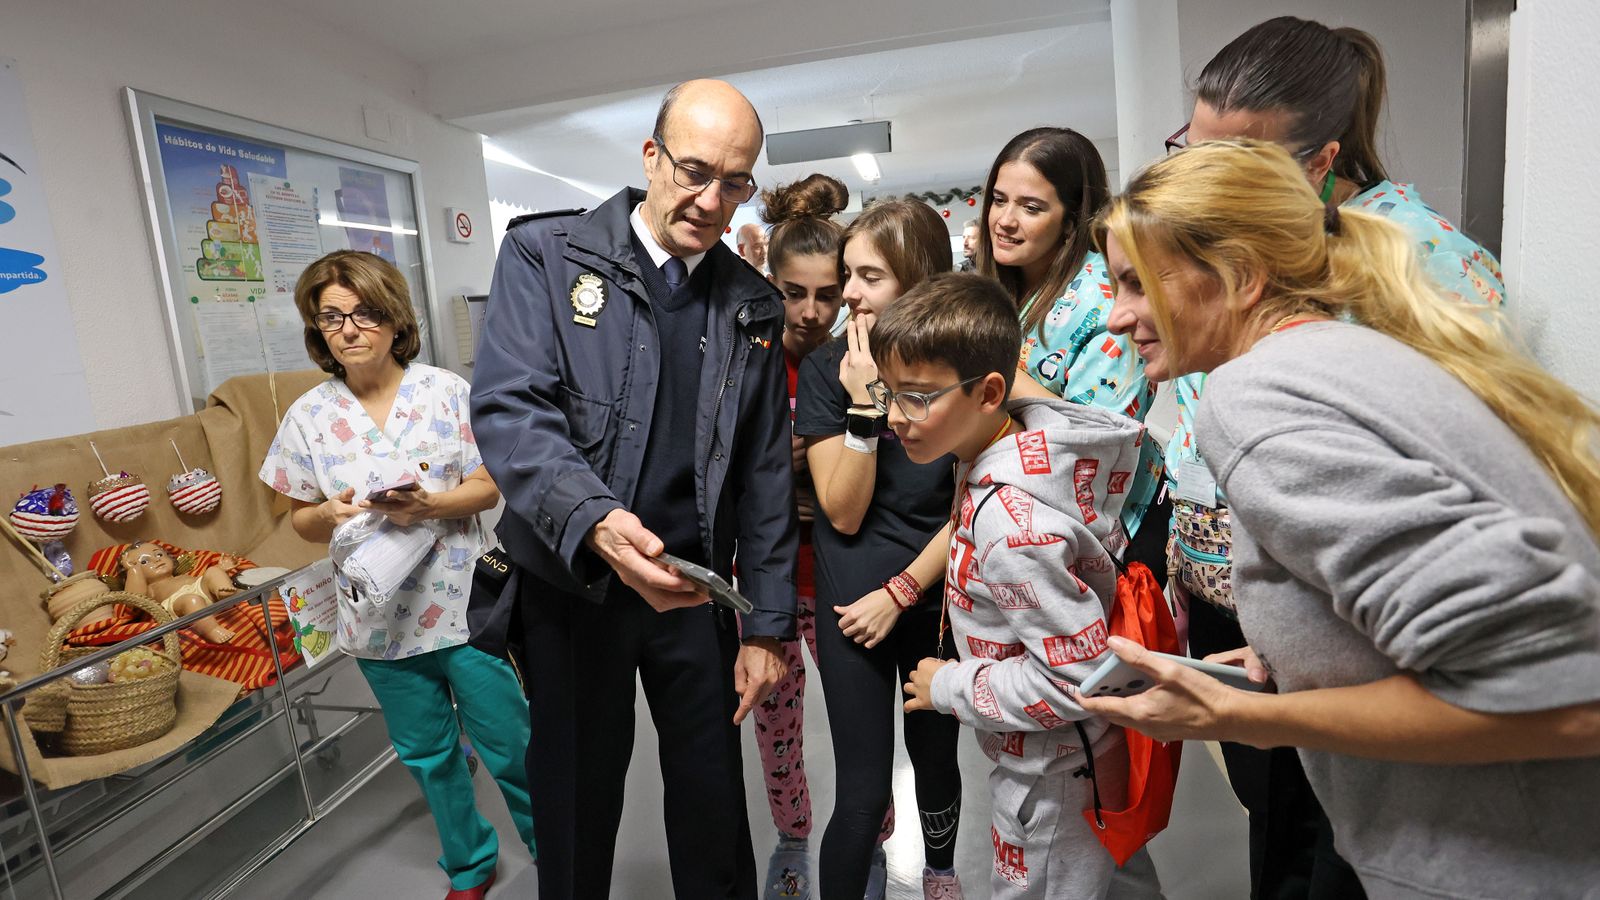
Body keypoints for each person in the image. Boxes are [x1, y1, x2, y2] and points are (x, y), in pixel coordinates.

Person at [1087, 138, 1600, 899]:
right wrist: (1296, 668)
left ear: (1240, 275)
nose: (1116, 316)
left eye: (1134, 283)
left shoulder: (1259, 399)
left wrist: (1244, 717)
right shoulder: (1340, 356)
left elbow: (1568, 694)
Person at [1160, 18, 1508, 898]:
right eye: (1190, 153)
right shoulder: (1242, 243)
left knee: (1334, 855)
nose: (1200, 188)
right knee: (1273, 827)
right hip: (1239, 616)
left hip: (1340, 631)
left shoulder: (1421, 261)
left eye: (1233, 167)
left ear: (1318, 164)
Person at [467, 80, 795, 900]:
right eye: (692, 170)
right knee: (575, 800)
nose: (709, 199)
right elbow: (513, 412)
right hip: (574, 586)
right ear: (650, 157)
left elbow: (763, 474)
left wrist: (768, 628)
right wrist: (600, 525)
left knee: (714, 803)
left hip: (693, 590)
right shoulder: (547, 258)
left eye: (735, 183)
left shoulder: (752, 305)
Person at [260, 250, 534, 900]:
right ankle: (470, 864)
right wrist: (326, 511)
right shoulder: (310, 417)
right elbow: (296, 519)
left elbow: (489, 487)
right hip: (379, 626)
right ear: (316, 328)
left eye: (364, 313)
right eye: (331, 317)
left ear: (393, 319)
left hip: (466, 611)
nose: (349, 329)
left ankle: (559, 850)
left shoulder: (447, 393)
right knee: (431, 759)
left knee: (513, 750)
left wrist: (430, 504)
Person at [886, 273, 1163, 900]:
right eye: (889, 392)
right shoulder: (996, 457)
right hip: (1062, 764)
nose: (894, 417)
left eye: (918, 397)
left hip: (1054, 774)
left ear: (989, 393)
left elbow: (1074, 678)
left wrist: (949, 686)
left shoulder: (1012, 524)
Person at [796, 199, 966, 900]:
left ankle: (940, 875)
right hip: (850, 607)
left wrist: (904, 592)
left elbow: (973, 504)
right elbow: (843, 507)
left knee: (935, 757)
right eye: (849, 275)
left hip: (932, 597)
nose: (852, 295)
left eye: (871, 277)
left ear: (920, 281)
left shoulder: (962, 360)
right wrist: (866, 405)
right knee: (863, 790)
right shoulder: (828, 367)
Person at [974, 128, 1164, 578]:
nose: (1005, 219)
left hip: (1110, 533)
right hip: (1023, 521)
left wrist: (982, 356)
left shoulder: (1105, 299)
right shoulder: (1002, 287)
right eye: (999, 200)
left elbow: (1096, 441)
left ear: (1073, 217)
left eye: (1031, 207)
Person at [752, 173, 851, 900]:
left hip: (844, 577)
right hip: (767, 583)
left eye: (829, 293)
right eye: (795, 291)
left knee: (857, 726)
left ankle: (870, 840)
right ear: (769, 282)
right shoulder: (744, 364)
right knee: (776, 729)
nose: (812, 312)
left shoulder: (859, 365)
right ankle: (792, 836)